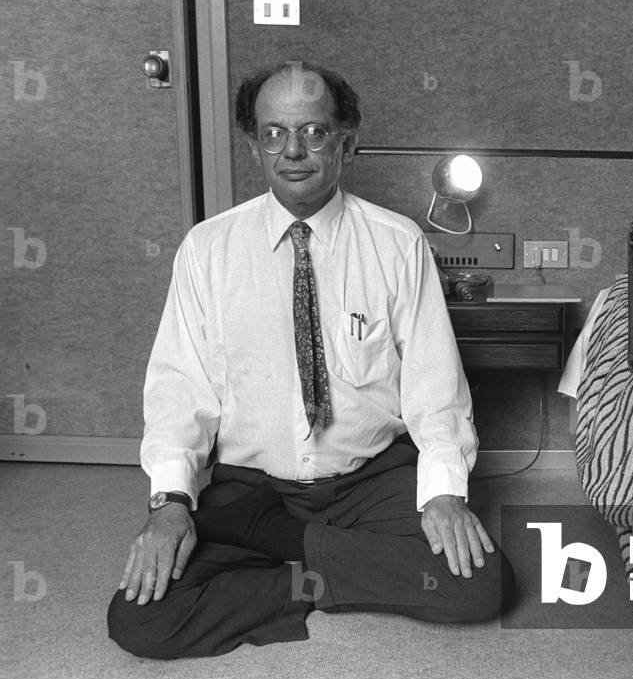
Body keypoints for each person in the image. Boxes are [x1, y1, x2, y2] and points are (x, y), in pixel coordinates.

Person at [107, 60, 512, 659]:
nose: (293, 151)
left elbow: (435, 389)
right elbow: (179, 391)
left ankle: (283, 547)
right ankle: (324, 568)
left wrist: (444, 494)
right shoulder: (206, 249)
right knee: (142, 619)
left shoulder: (398, 242)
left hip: (370, 481)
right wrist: (170, 502)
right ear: (254, 146)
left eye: (314, 132)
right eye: (273, 133)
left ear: (346, 142)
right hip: (252, 488)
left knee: (481, 585)